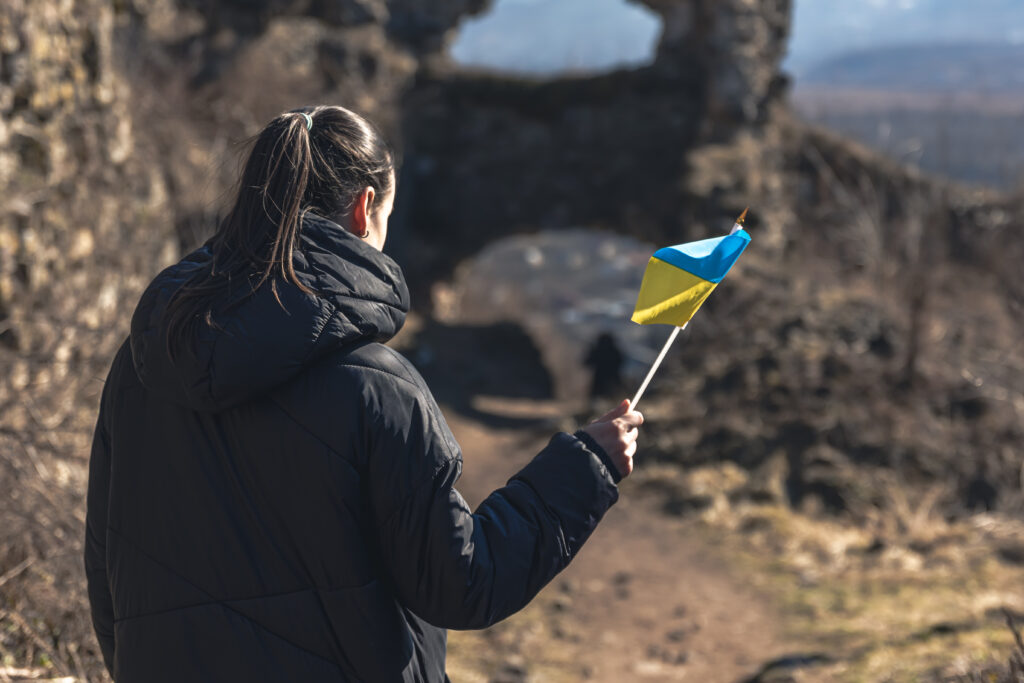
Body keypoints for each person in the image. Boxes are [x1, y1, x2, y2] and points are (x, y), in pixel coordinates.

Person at [85, 105, 643, 682]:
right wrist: (586, 467)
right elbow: (462, 583)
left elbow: (106, 572)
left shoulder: (142, 363)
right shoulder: (379, 388)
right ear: (365, 208)